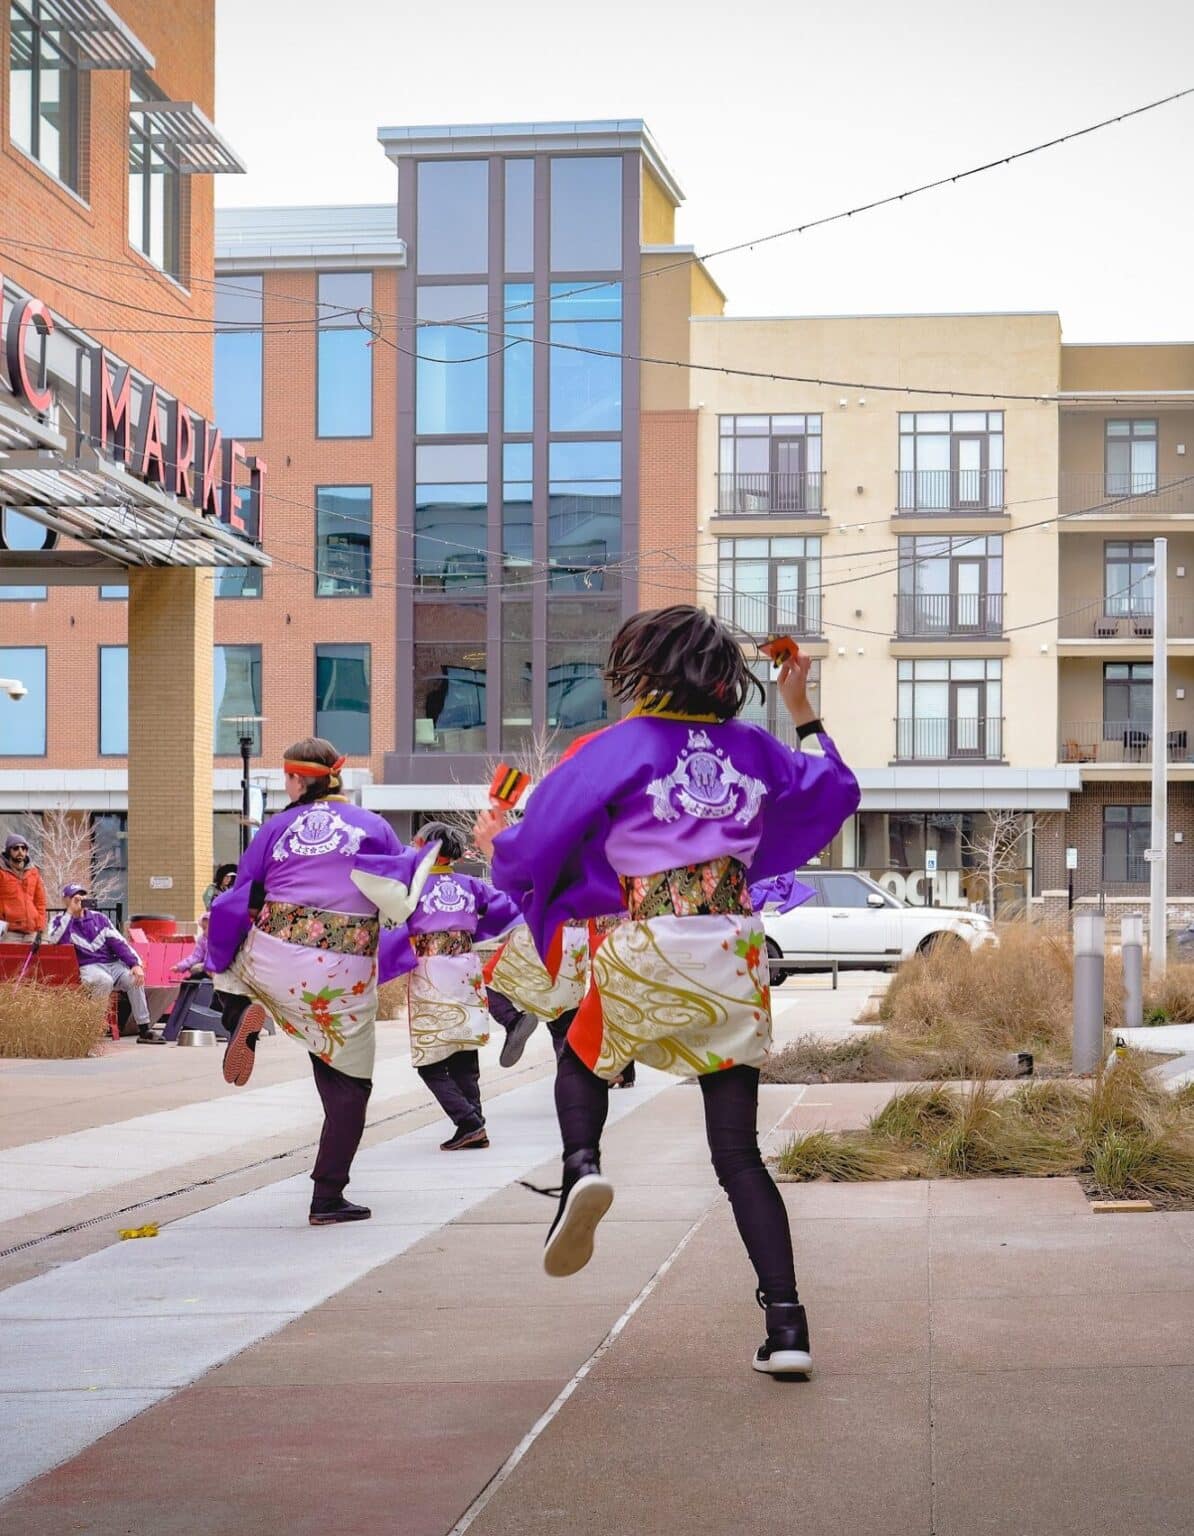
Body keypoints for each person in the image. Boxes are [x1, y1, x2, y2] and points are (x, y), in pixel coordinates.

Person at [476, 605, 860, 1377]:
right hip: (735, 954)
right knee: (738, 1153)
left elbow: (537, 839)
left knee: (583, 1059)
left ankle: (582, 1168)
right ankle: (787, 1326)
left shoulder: (612, 747)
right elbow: (836, 788)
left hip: (650, 941)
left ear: (644, 669)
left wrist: (498, 846)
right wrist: (800, 708)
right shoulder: (755, 749)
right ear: (725, 677)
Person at [207, 737, 434, 1226]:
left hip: (276, 954)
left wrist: (231, 947)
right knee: (348, 1085)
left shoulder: (275, 827)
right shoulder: (372, 826)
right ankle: (327, 1197)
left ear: (295, 779)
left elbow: (244, 896)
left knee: (227, 971)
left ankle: (239, 1014)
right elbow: (400, 890)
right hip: (340, 971)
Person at [401, 822, 522, 1149]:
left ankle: (468, 1121)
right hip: (467, 967)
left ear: (425, 845)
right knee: (464, 1052)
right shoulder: (470, 885)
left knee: (429, 1060)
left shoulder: (411, 886)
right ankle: (475, 1125)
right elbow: (506, 907)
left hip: (431, 969)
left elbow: (390, 923)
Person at [47, 885, 152, 1033]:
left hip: (111, 964)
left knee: (134, 978)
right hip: (87, 966)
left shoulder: (100, 918)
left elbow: (119, 943)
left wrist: (135, 964)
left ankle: (144, 1028)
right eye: (75, 897)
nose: (80, 900)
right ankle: (94, 1030)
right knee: (104, 981)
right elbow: (57, 940)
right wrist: (70, 913)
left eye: (82, 896)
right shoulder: (58, 920)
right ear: (66, 900)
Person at [0, 834, 47, 943]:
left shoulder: (33, 872)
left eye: (23, 848)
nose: (20, 851)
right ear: (8, 851)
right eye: (16, 848)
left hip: (32, 932)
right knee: (9, 960)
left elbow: (40, 901)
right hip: (8, 933)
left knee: (37, 960)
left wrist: (40, 925)